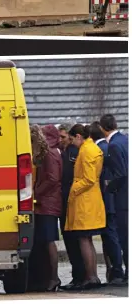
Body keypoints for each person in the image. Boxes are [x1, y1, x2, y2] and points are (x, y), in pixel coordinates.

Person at [65, 124, 106, 289]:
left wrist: (73, 189)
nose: (71, 142)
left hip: (85, 201)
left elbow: (88, 179)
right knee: (87, 239)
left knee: (84, 239)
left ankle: (91, 277)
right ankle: (93, 276)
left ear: (78, 137)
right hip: (90, 199)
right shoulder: (92, 148)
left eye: (72, 139)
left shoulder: (86, 151)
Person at [89, 121, 124, 284]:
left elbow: (113, 174)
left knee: (111, 235)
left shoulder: (103, 149)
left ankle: (116, 270)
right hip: (111, 198)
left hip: (107, 198)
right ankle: (114, 270)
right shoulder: (109, 146)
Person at [30, 124, 63, 292]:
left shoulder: (49, 154)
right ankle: (49, 276)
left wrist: (35, 193)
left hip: (47, 203)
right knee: (46, 240)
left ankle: (53, 277)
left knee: (49, 240)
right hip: (49, 201)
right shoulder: (54, 151)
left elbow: (52, 178)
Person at [99, 114, 128, 284]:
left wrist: (109, 189)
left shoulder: (114, 145)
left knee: (124, 236)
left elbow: (121, 173)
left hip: (122, 197)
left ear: (103, 128)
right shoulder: (124, 140)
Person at [58, 124, 86, 290]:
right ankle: (77, 275)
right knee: (69, 240)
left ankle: (80, 275)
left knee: (73, 240)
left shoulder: (73, 153)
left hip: (71, 201)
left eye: (63, 137)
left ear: (71, 136)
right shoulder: (65, 152)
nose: (61, 140)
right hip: (65, 201)